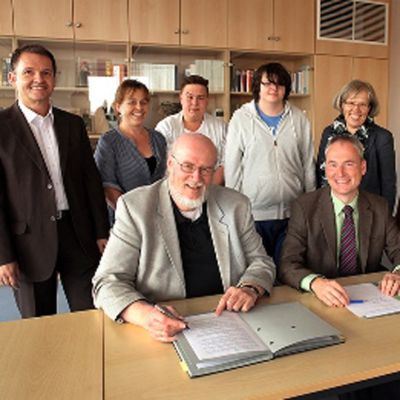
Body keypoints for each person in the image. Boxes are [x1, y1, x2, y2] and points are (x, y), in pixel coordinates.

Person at [93, 133, 275, 342]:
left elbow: (261, 262)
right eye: (187, 166)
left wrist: (250, 288)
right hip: (166, 330)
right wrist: (146, 316)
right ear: (170, 164)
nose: (196, 178)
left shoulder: (236, 205)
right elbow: (107, 282)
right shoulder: (135, 208)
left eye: (206, 169)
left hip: (230, 322)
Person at [0, 44, 109, 318]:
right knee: (39, 323)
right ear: (12, 78)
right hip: (28, 242)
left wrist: (101, 232)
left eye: (46, 72)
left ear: (54, 79)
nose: (38, 79)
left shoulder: (72, 124)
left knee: (92, 315)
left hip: (77, 235)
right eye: (29, 72)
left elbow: (90, 181)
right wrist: (3, 256)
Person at [280, 135, 400, 306]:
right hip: (319, 300)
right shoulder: (304, 207)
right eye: (333, 165)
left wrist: (398, 274)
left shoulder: (379, 206)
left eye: (348, 164)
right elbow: (287, 263)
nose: (340, 173)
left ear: (363, 167)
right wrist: (315, 283)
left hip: (369, 299)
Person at [225, 62, 315, 268]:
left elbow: (308, 163)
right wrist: (234, 208)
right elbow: (232, 167)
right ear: (258, 86)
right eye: (267, 83)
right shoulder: (240, 118)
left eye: (279, 84)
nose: (273, 88)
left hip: (293, 214)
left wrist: (310, 205)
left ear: (286, 88)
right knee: (259, 271)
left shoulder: (299, 119)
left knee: (289, 270)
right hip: (254, 215)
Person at [316, 79, 396, 212]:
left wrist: (385, 218)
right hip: (331, 208)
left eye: (362, 104)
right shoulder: (328, 133)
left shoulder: (382, 137)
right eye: (351, 103)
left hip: (368, 211)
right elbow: (320, 173)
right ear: (342, 105)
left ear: (369, 108)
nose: (356, 109)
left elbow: (388, 184)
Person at [94, 79, 167, 225]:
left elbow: (163, 181)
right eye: (132, 102)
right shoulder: (108, 142)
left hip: (156, 219)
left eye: (143, 102)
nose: (139, 107)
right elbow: (108, 187)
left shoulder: (158, 138)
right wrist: (134, 219)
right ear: (118, 107)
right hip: (124, 221)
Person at [155, 75, 226, 185]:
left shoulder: (220, 128)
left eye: (200, 98)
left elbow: (224, 163)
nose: (194, 103)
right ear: (181, 98)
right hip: (174, 187)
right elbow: (162, 166)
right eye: (190, 97)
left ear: (207, 100)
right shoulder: (166, 127)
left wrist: (207, 190)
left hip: (210, 187)